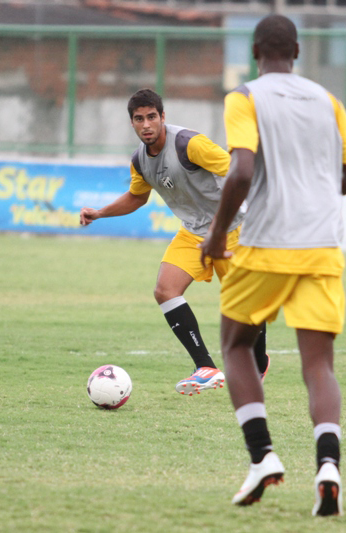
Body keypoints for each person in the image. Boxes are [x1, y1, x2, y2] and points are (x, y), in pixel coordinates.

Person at [199, 14, 346, 516]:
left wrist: (214, 234)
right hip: (322, 245)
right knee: (319, 364)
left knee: (235, 344)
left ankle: (262, 457)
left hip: (269, 242)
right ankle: (329, 466)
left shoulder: (245, 97)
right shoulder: (327, 100)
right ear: (296, 50)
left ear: (255, 51)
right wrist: (314, 194)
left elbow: (242, 170)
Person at [79, 88, 269, 395]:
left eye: (152, 116)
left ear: (163, 117)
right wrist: (100, 213)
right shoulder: (140, 160)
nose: (146, 124)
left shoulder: (189, 145)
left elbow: (240, 172)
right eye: (139, 119)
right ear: (132, 124)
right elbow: (137, 197)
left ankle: (259, 362)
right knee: (165, 290)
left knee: (246, 306)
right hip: (193, 232)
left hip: (233, 229)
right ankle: (205, 367)